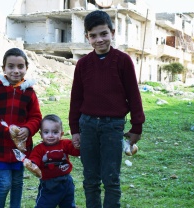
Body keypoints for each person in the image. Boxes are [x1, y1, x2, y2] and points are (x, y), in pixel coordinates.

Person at [68, 10, 145, 208]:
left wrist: (137, 126)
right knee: (90, 179)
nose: (99, 39)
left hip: (113, 127)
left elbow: (133, 94)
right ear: (87, 37)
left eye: (103, 34)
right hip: (88, 126)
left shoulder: (123, 61)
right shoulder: (83, 64)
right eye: (93, 35)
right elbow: (76, 99)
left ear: (112, 32)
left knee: (111, 179)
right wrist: (75, 130)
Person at [0, 48, 42, 208]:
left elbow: (36, 117)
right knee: (5, 184)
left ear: (26, 68)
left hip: (20, 148)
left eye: (20, 66)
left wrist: (28, 128)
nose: (16, 71)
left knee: (18, 182)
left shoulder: (29, 93)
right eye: (11, 66)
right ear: (3, 68)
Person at [28, 114, 80, 208]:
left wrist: (78, 146)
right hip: (49, 185)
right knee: (43, 205)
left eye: (55, 132)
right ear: (41, 134)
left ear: (61, 134)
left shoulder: (65, 144)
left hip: (66, 182)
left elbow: (75, 151)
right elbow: (34, 159)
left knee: (68, 205)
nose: (50, 135)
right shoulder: (39, 149)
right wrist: (32, 164)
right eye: (46, 132)